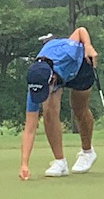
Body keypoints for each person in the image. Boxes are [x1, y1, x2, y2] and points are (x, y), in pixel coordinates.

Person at [17, 27, 99, 180]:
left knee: (79, 108)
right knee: (48, 110)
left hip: (80, 66)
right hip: (55, 74)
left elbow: (80, 31)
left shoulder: (68, 51)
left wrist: (88, 46)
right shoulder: (36, 82)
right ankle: (60, 162)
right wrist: (24, 164)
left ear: (52, 80)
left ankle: (87, 152)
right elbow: (30, 127)